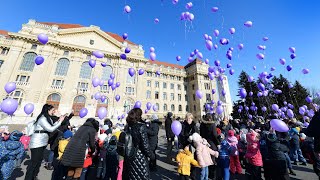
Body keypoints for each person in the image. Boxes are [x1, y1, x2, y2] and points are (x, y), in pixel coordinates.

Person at [25, 104, 64, 180]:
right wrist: (60, 122)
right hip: (37, 143)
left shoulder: (47, 118)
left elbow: (52, 126)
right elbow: (50, 129)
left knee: (39, 161)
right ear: (48, 110)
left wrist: (59, 121)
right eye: (52, 111)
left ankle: (34, 176)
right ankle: (28, 178)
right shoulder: (42, 118)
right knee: (34, 163)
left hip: (42, 142)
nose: (53, 112)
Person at [122, 108, 153, 180]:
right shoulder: (141, 127)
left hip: (128, 157)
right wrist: (152, 156)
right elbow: (145, 146)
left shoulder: (127, 126)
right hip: (139, 157)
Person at [199, 113, 220, 179]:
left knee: (206, 160)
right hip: (212, 143)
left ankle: (206, 175)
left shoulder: (202, 124)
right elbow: (214, 135)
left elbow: (201, 134)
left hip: (204, 143)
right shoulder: (212, 124)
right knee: (213, 160)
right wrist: (218, 143)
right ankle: (212, 175)